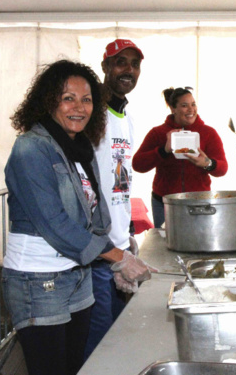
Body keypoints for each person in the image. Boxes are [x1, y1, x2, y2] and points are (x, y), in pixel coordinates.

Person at [3, 60, 153, 375]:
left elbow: (95, 217)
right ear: (48, 101)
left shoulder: (78, 148)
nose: (79, 107)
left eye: (86, 99)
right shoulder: (30, 149)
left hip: (78, 277)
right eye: (68, 97)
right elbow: (55, 224)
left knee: (77, 367)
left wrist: (113, 259)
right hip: (39, 282)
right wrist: (118, 257)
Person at [84, 39, 152, 360]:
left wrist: (127, 238)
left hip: (117, 249)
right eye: (120, 62)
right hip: (95, 252)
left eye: (134, 64)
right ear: (105, 66)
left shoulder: (128, 119)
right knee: (99, 346)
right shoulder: (89, 115)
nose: (128, 70)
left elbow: (119, 184)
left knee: (113, 338)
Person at [132, 87, 228, 227]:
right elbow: (137, 164)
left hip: (198, 203)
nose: (191, 109)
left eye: (193, 104)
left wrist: (207, 163)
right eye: (184, 105)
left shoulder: (208, 133)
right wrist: (164, 150)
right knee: (165, 244)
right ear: (173, 108)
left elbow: (223, 168)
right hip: (164, 203)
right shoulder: (158, 133)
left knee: (198, 243)